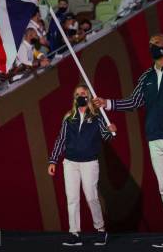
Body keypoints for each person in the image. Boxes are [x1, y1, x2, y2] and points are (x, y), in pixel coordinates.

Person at [93, 33, 163, 249]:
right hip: (155, 139)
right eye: (151, 45)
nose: (154, 47)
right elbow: (134, 101)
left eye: (158, 44)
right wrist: (108, 104)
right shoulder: (146, 77)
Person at [48, 84, 117, 247]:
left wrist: (111, 130)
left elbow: (107, 137)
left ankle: (101, 230)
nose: (80, 96)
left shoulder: (97, 117)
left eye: (83, 93)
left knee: (91, 197)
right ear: (74, 98)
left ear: (88, 97)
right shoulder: (69, 118)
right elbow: (61, 140)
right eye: (77, 94)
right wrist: (53, 160)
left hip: (89, 163)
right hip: (70, 163)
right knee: (72, 198)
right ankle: (75, 233)